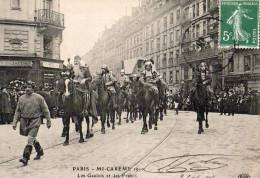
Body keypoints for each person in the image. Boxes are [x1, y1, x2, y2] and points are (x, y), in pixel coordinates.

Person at [12, 81, 51, 166]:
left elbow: (45, 109)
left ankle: (25, 157)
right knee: (31, 138)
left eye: (29, 87)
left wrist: (48, 120)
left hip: (35, 120)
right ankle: (39, 151)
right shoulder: (21, 98)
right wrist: (14, 122)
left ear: (33, 88)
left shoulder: (39, 98)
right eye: (26, 87)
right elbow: (17, 111)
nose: (27, 89)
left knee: (30, 138)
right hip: (24, 121)